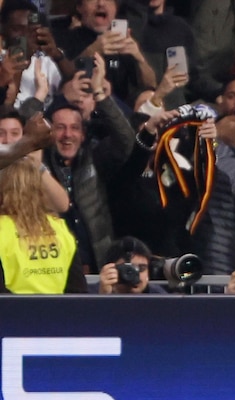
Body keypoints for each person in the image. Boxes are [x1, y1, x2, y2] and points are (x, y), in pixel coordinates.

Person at [43, 53, 136, 272]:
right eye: (60, 128)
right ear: (49, 133)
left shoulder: (95, 158)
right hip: (53, 266)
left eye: (74, 128)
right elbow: (26, 129)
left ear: (83, 135)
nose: (68, 135)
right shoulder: (42, 163)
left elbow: (126, 139)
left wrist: (100, 94)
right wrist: (43, 96)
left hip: (96, 265)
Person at [0, 157, 86, 293]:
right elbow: (77, 292)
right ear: (39, 190)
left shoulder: (2, 230)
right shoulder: (60, 228)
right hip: (58, 312)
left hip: (12, 312)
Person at [95, 236, 167, 294]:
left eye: (141, 268)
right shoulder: (91, 294)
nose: (134, 274)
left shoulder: (157, 294)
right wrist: (103, 297)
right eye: (127, 269)